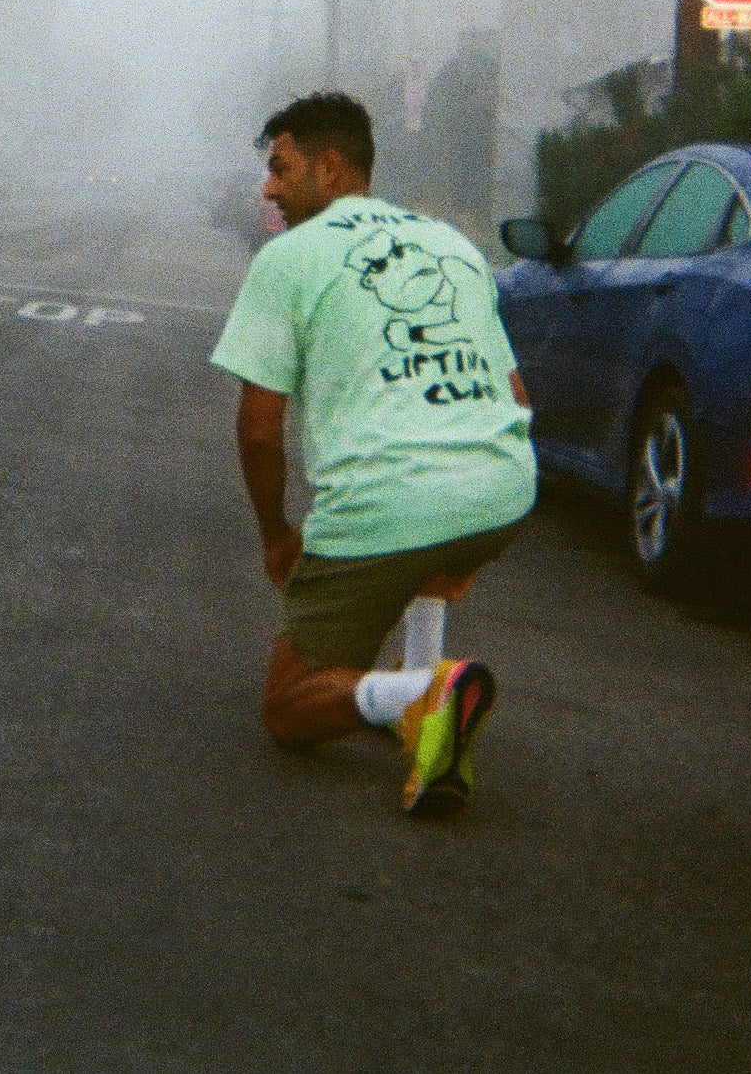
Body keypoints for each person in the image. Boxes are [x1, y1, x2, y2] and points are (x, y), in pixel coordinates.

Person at [210, 91, 537, 817]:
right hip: (506, 491)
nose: (268, 186)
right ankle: (429, 711)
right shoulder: (454, 244)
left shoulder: (289, 257)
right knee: (431, 519)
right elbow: (514, 397)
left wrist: (276, 536)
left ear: (330, 167)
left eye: (281, 168)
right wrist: (471, 528)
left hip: (393, 503)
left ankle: (417, 695)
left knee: (288, 705)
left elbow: (259, 429)